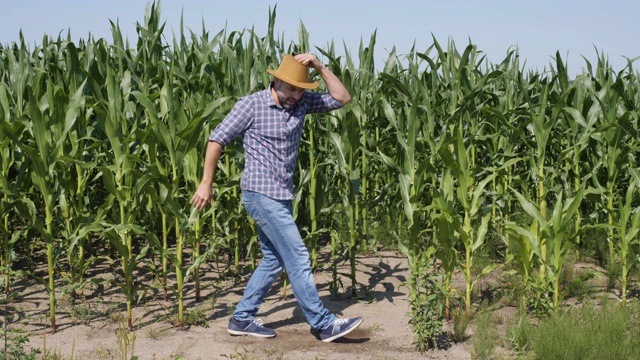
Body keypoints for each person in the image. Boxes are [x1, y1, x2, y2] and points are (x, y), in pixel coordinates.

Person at [190, 53, 363, 342]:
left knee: (273, 260)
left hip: (282, 195)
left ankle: (242, 318)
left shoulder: (303, 103)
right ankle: (322, 324)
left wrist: (319, 67)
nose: (297, 94)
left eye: (301, 89)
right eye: (292, 88)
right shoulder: (252, 105)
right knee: (296, 256)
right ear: (277, 81)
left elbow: (342, 98)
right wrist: (206, 182)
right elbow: (216, 139)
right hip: (260, 193)